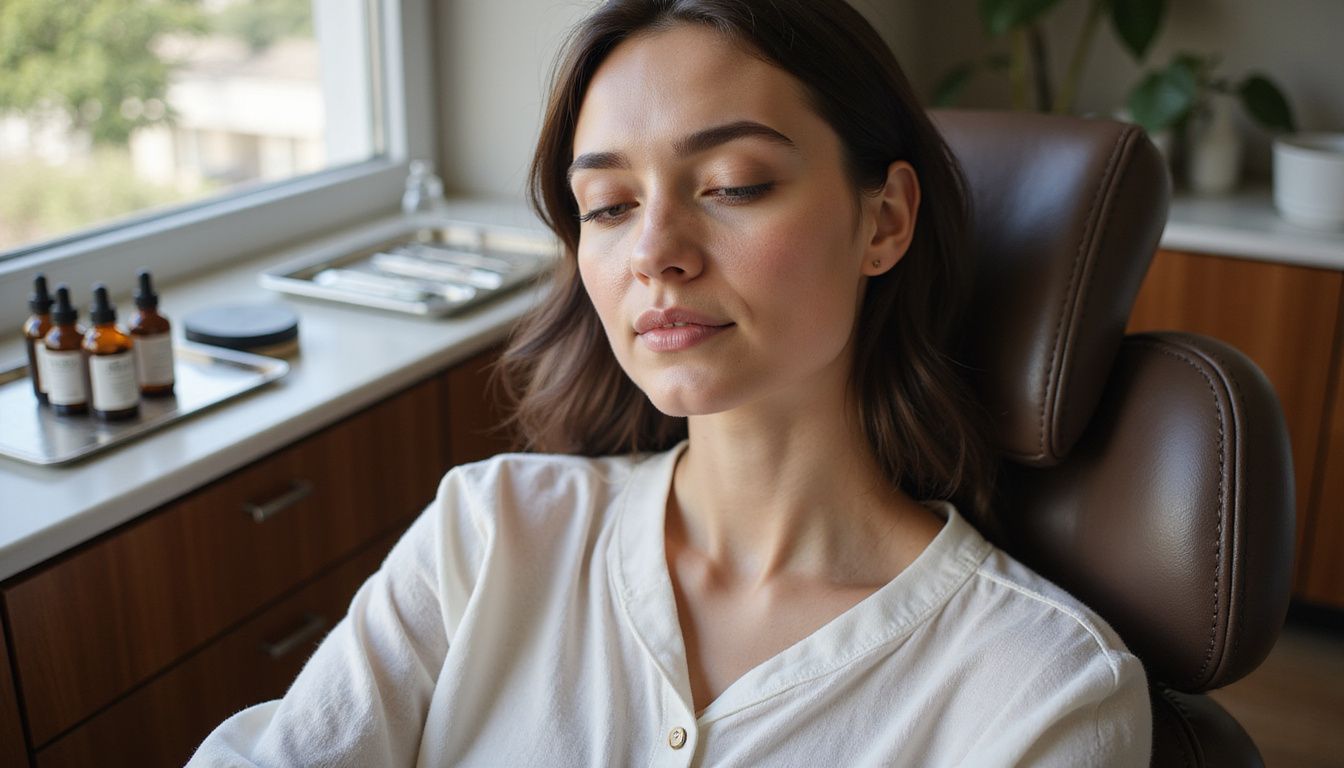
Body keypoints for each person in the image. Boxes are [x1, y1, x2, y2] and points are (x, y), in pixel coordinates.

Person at [190, 0, 1151, 765]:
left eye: (733, 184)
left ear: (886, 220)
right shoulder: (489, 536)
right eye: (606, 206)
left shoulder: (1041, 692)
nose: (654, 253)